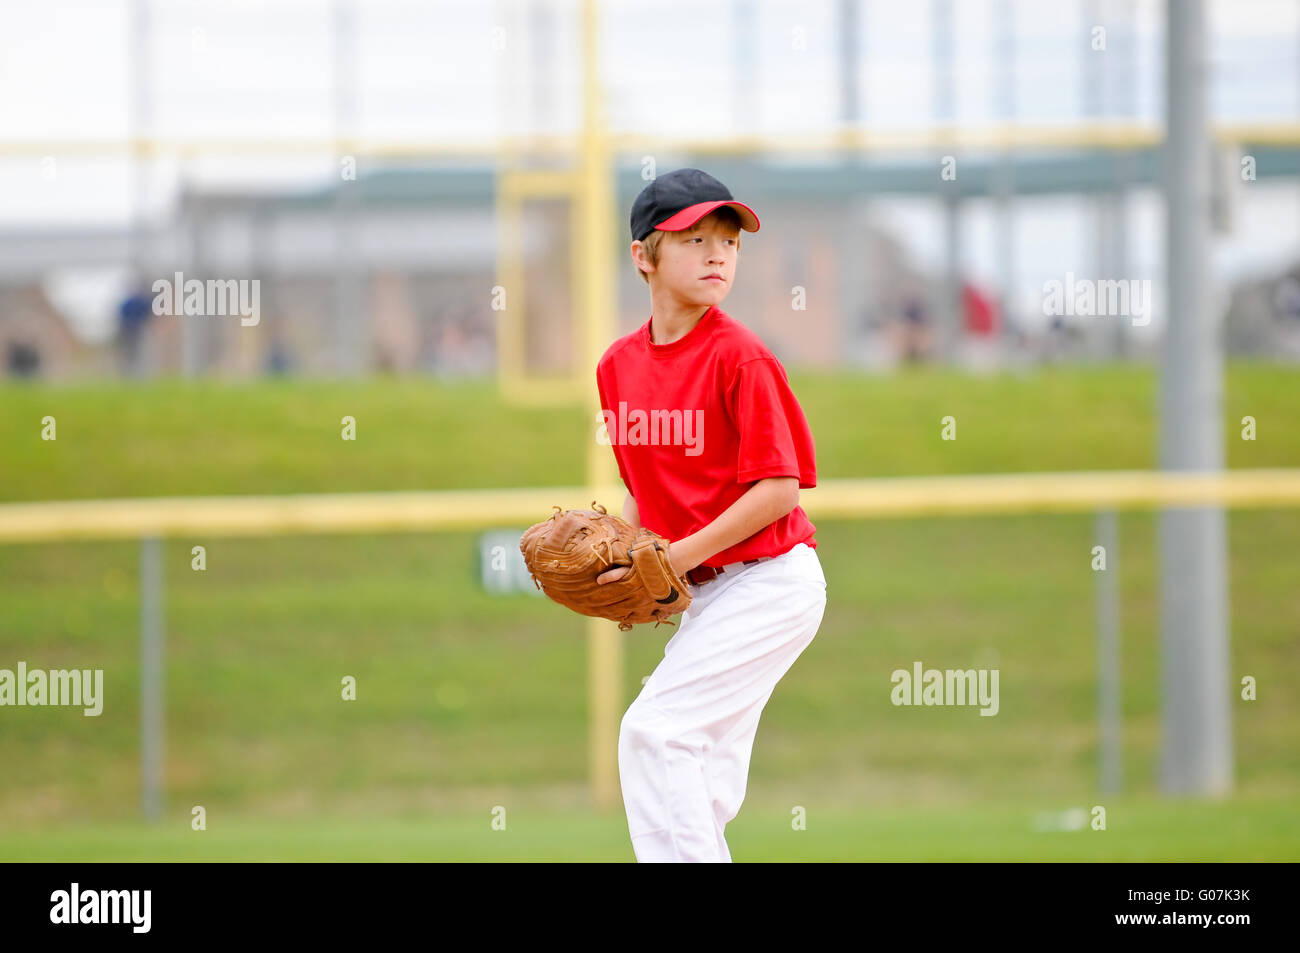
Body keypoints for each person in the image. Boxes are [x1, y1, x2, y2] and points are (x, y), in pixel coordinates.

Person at [594, 168, 827, 863]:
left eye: (727, 240)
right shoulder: (616, 368)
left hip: (771, 583)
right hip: (708, 592)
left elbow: (779, 489)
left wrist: (676, 559)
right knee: (697, 778)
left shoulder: (741, 358)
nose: (717, 253)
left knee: (655, 734)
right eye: (694, 238)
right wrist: (645, 565)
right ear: (644, 256)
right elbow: (648, 494)